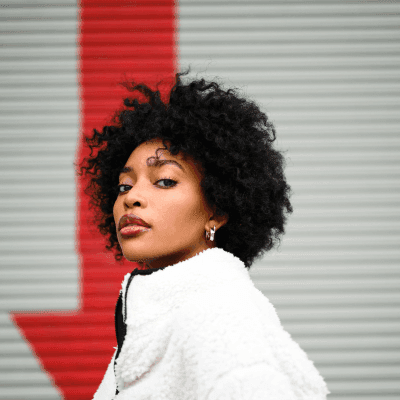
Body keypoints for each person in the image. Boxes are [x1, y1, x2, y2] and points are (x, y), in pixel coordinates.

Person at [76, 71, 330, 399]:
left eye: (165, 180)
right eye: (124, 185)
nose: (131, 197)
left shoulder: (220, 315)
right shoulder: (153, 324)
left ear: (218, 209)